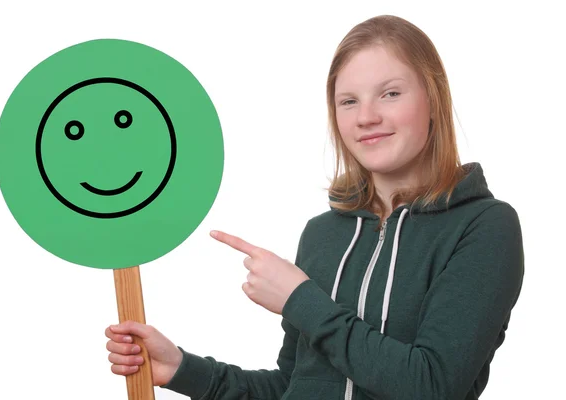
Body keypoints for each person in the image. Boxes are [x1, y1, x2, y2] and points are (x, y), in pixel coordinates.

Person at [105, 14, 524, 400]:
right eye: (349, 101)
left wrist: (299, 299)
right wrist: (181, 369)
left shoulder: (484, 226)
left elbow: (431, 385)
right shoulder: (324, 233)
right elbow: (293, 386)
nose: (367, 117)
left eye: (390, 93)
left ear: (433, 99)